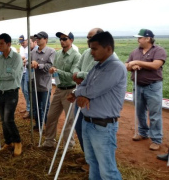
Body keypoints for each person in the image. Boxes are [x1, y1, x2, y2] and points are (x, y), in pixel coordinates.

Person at [69, 31, 127, 180]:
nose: (91, 52)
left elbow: (93, 89)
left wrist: (78, 93)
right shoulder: (97, 66)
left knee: (107, 170)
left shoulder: (115, 67)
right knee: (93, 164)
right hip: (89, 123)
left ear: (108, 49)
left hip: (103, 126)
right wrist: (80, 93)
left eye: (94, 49)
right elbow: (86, 84)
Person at [126, 29, 167, 151]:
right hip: (138, 85)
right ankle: (143, 133)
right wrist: (131, 65)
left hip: (153, 86)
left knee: (154, 114)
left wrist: (138, 62)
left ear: (147, 38)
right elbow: (126, 65)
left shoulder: (159, 50)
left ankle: (156, 139)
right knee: (139, 111)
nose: (138, 40)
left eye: (140, 38)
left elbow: (156, 65)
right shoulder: (135, 51)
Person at [0, 33, 23, 156]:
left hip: (11, 93)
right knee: (3, 120)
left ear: (8, 44)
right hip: (0, 92)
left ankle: (18, 142)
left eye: (1, 43)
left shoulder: (16, 58)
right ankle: (8, 142)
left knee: (8, 119)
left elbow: (12, 75)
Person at [71, 28, 104, 170]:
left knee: (92, 130)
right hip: (80, 95)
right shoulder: (85, 52)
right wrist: (76, 74)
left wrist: (80, 74)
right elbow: (76, 68)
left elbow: (94, 74)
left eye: (91, 37)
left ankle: (95, 162)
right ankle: (88, 156)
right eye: (87, 37)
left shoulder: (106, 55)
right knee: (79, 127)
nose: (88, 40)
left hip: (93, 99)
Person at [42, 31, 81, 149]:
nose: (62, 41)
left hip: (70, 90)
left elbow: (73, 75)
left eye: (65, 39)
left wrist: (57, 71)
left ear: (71, 40)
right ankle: (49, 141)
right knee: (51, 116)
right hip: (59, 89)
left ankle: (68, 145)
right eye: (60, 39)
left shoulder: (76, 56)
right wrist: (52, 70)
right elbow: (54, 67)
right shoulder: (58, 54)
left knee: (69, 119)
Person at [30, 31, 55, 130]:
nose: (37, 40)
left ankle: (47, 126)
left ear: (46, 39)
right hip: (34, 83)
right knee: (36, 107)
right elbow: (27, 64)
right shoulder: (32, 52)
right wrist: (31, 63)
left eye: (40, 38)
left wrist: (38, 65)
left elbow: (49, 66)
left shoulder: (51, 51)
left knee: (45, 107)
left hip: (45, 84)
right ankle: (38, 125)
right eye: (37, 38)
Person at [18, 35, 30, 118]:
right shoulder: (21, 48)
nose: (22, 44)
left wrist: (26, 60)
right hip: (21, 71)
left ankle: (29, 110)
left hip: (27, 71)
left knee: (26, 90)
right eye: (21, 42)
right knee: (23, 90)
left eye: (23, 42)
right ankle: (27, 107)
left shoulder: (30, 48)